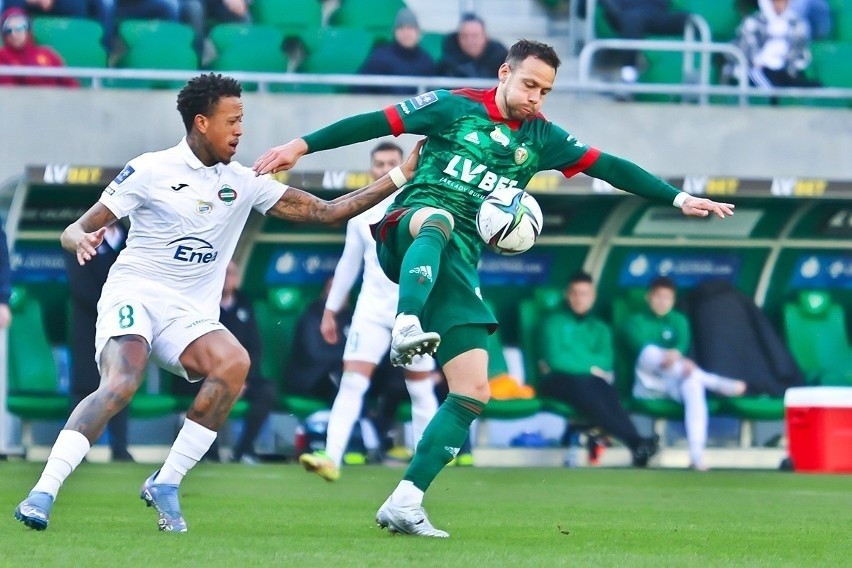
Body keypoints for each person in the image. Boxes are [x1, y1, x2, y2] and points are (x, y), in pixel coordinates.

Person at [253, 39, 736, 537]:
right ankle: (405, 321)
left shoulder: (542, 137)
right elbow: (374, 122)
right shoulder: (452, 106)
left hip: (458, 266)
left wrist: (678, 198)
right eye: (529, 84)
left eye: (546, 91)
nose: (536, 98)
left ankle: (405, 500)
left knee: (473, 389)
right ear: (504, 73)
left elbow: (608, 166)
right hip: (407, 229)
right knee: (437, 218)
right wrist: (299, 146)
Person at [13, 72, 424, 533]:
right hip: (136, 294)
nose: (241, 131)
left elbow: (327, 212)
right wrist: (79, 239)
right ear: (201, 123)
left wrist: (400, 175)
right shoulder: (151, 169)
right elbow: (76, 227)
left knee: (234, 363)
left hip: (188, 314)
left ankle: (166, 481)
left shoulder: (244, 181)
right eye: (232, 121)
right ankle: (43, 490)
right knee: (121, 383)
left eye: (242, 120)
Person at [299, 142, 439, 482]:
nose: (385, 168)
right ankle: (331, 458)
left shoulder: (425, 206)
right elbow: (349, 264)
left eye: (393, 162)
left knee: (420, 389)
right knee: (352, 383)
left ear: (407, 165)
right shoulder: (362, 211)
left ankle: (425, 465)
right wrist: (331, 310)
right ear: (372, 169)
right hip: (371, 312)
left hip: (412, 314)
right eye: (379, 164)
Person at [622, 277, 747, 471]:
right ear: (649, 297)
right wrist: (674, 358)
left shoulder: (679, 320)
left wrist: (677, 356)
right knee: (651, 353)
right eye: (658, 297)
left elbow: (682, 345)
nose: (662, 302)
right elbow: (644, 353)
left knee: (693, 385)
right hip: (648, 386)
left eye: (667, 298)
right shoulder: (635, 321)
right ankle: (714, 382)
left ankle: (696, 456)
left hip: (673, 384)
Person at [538, 272, 657, 467]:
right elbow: (556, 360)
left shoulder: (601, 327)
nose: (579, 298)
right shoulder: (553, 322)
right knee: (588, 388)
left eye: (584, 294)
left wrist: (583, 363)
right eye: (575, 293)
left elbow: (606, 360)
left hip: (591, 381)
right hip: (557, 381)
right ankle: (636, 441)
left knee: (608, 393)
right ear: (568, 295)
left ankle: (636, 443)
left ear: (592, 297)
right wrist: (589, 366)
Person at [169, 260, 278, 464]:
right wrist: (226, 377)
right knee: (213, 389)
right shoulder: (201, 305)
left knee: (267, 390)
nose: (228, 277)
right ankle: (207, 453)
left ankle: (244, 451)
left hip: (241, 375)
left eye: (232, 273)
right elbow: (194, 346)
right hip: (203, 374)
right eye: (224, 273)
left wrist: (240, 379)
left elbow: (254, 348)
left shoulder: (246, 304)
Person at [64, 222, 133, 462]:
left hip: (124, 322)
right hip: (88, 325)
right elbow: (80, 285)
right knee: (85, 386)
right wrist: (109, 305)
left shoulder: (132, 236)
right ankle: (76, 450)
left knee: (121, 383)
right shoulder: (81, 237)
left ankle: (119, 447)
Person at [285, 277, 352, 404]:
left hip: (338, 374)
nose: (338, 293)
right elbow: (315, 354)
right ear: (324, 292)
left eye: (343, 289)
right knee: (343, 381)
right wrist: (348, 358)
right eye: (332, 288)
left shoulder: (352, 319)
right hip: (310, 378)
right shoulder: (311, 317)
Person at [734, 0, 821, 93]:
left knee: (815, 86)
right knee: (766, 86)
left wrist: (792, 66)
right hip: (761, 69)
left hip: (786, 70)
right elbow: (745, 49)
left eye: (783, 2)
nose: (780, 6)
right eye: (776, 2)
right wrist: (755, 61)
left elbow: (801, 52)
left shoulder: (796, 23)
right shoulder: (753, 23)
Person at [598, 0, 691, 85]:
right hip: (620, 14)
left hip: (654, 13)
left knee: (634, 17)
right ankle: (628, 77)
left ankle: (628, 78)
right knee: (633, 18)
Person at [356, 7, 436, 95]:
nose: (406, 33)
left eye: (410, 28)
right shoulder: (380, 56)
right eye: (401, 28)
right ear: (394, 32)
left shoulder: (426, 61)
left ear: (418, 32)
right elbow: (359, 86)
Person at [0, 8, 79, 87]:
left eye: (19, 28)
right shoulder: (2, 56)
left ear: (28, 29)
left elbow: (70, 83)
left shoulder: (48, 54)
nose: (14, 34)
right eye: (8, 30)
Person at [437, 12, 507, 79]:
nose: (469, 41)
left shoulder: (499, 55)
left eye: (474, 36)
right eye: (464, 36)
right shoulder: (450, 54)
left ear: (485, 37)